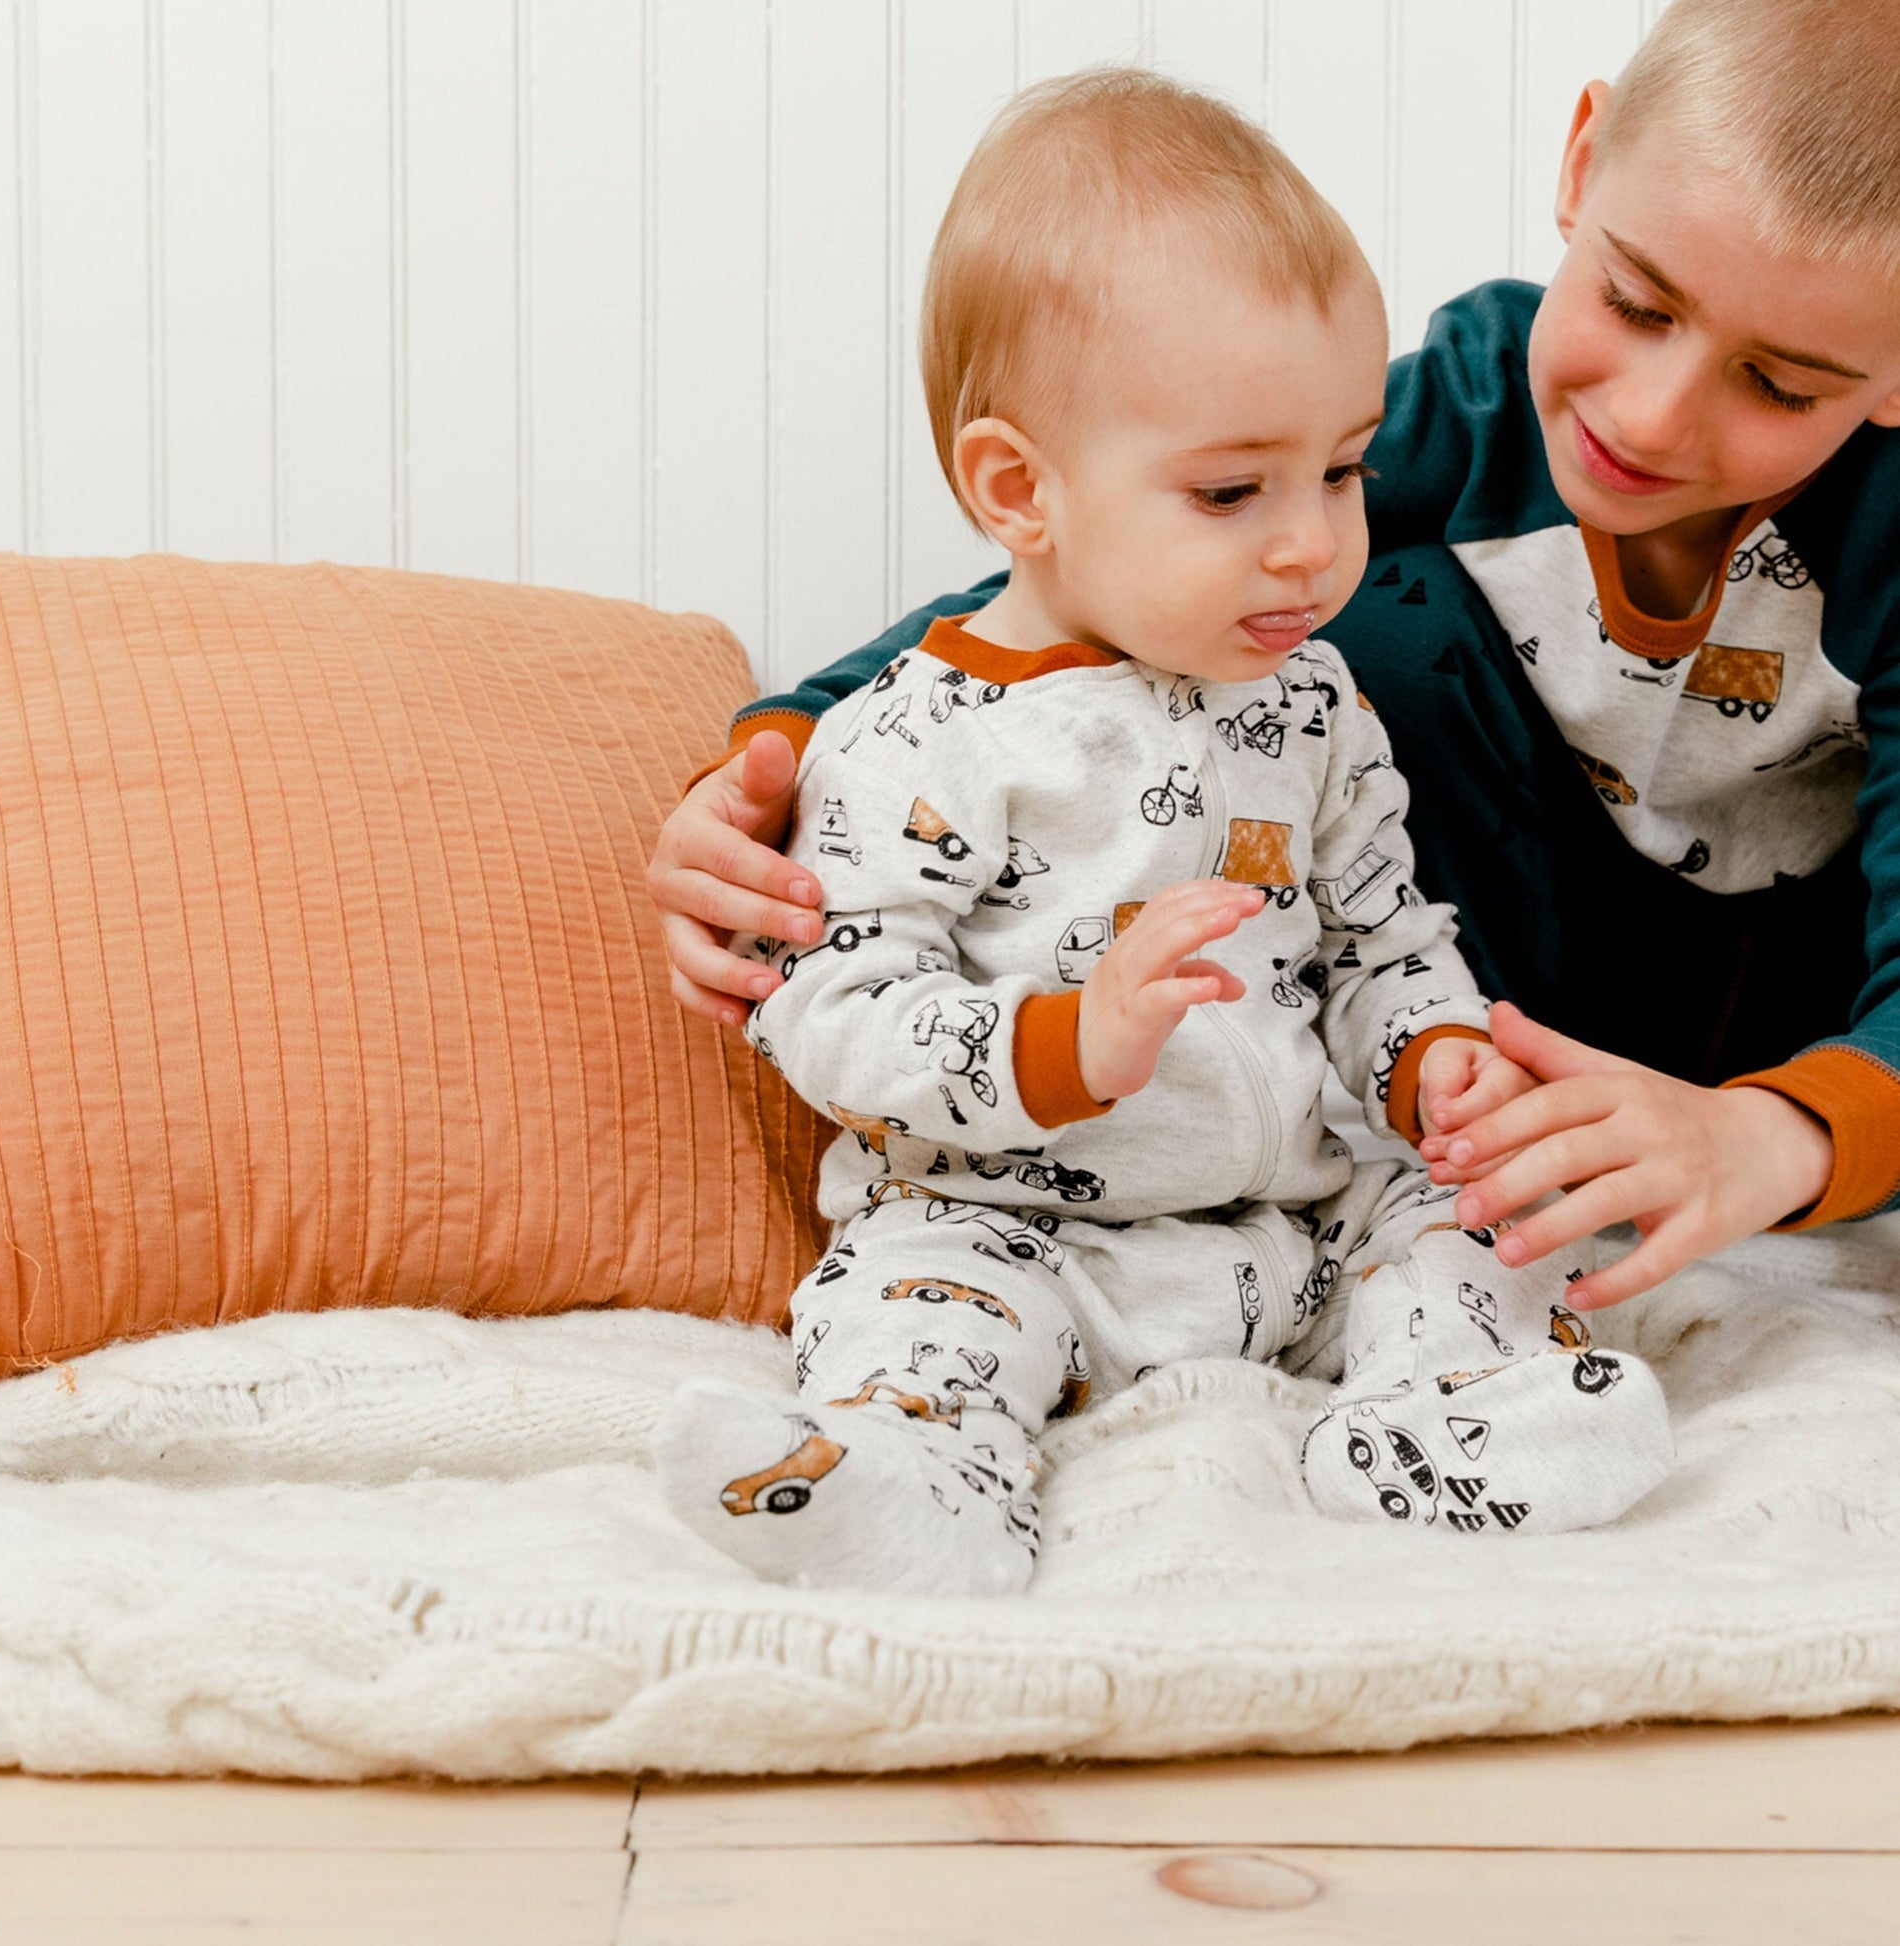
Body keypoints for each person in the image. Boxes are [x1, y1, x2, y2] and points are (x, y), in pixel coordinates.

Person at [648, 0, 1900, 1315]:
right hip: (1458, 1044)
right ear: (1580, 164)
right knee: (1323, 612)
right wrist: (764, 766)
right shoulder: (1459, 413)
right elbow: (1069, 585)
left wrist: (1771, 1136)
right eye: (1634, 303)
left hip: (1776, 1038)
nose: (1650, 416)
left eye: (1779, 384)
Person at [651, 71, 1672, 1599]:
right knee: (912, 1304)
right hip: (1012, 1226)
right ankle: (915, 1474)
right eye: (1229, 490)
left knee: (1468, 1229)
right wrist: (1071, 1038)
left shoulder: (1311, 706)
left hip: (1287, 1223)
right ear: (1020, 491)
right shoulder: (912, 738)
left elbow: (1382, 935)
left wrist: (1425, 1057)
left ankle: (1440, 1422)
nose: (1312, 540)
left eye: (1340, 467)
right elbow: (832, 1013)